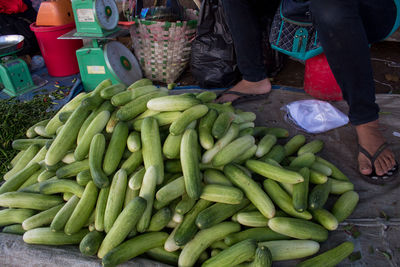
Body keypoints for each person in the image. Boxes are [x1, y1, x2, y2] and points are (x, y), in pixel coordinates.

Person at [218, 0, 399, 183]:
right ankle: (253, 77)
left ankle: (367, 123)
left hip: (362, 9)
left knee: (329, 6)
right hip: (300, 8)